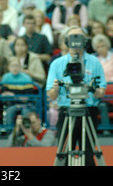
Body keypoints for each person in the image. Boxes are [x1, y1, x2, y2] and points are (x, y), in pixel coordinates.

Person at [46, 25, 107, 166]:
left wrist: (95, 90)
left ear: (85, 41)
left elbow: (101, 90)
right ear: (66, 41)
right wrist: (55, 89)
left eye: (79, 37)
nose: (76, 41)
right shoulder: (57, 64)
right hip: (66, 112)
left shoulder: (94, 62)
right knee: (65, 154)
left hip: (89, 112)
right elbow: (52, 95)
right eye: (72, 37)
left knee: (89, 155)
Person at [1, 57, 36, 129]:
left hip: (26, 105)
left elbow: (26, 98)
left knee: (26, 112)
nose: (15, 68)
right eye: (12, 66)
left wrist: (13, 96)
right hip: (11, 105)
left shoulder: (26, 78)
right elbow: (4, 94)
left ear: (20, 67)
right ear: (8, 67)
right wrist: (17, 97)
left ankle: (26, 132)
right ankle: (9, 132)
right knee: (10, 111)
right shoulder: (5, 78)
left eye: (17, 66)